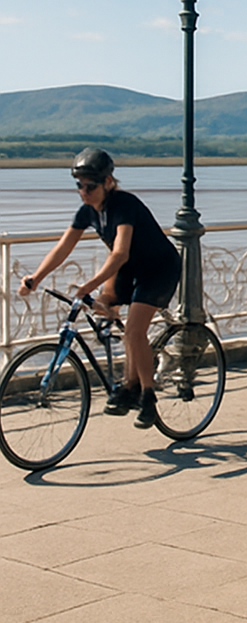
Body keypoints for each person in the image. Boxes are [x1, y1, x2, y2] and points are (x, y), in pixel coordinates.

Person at [18, 148, 182, 429]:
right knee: (107, 309)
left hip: (158, 268)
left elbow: (119, 254)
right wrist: (36, 277)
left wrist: (87, 286)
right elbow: (63, 247)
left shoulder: (124, 205)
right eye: (79, 185)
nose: (83, 191)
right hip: (129, 269)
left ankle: (147, 397)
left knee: (134, 331)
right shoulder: (87, 211)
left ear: (108, 182)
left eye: (90, 186)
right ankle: (128, 383)